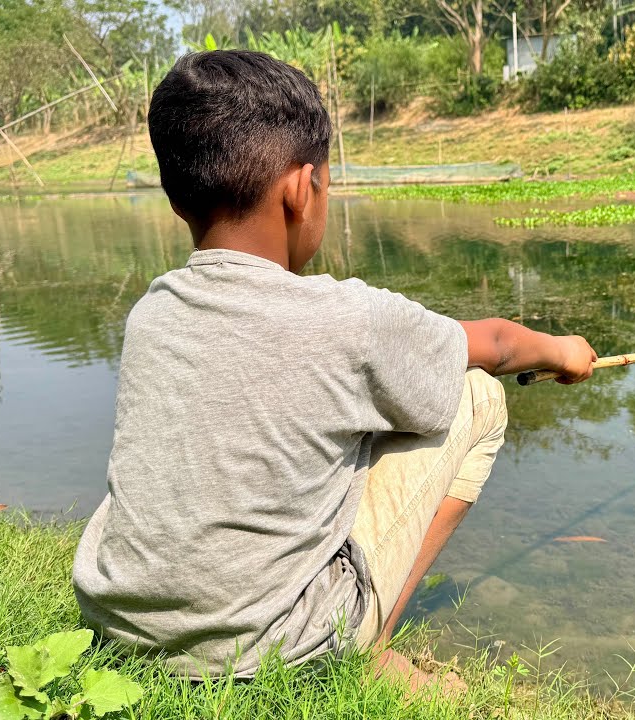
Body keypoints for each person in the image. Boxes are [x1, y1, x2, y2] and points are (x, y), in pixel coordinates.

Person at [70, 50, 597, 690]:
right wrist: (565, 350)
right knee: (477, 398)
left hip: (115, 624)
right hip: (263, 648)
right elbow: (496, 344)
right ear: (300, 189)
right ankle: (369, 648)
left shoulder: (152, 311)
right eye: (326, 183)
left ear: (179, 202)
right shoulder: (347, 318)